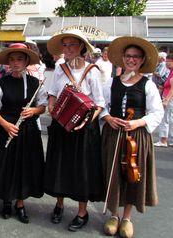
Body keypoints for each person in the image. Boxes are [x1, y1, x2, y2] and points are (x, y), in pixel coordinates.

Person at [101, 36, 164, 238]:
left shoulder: (148, 84)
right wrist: (108, 117)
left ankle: (127, 218)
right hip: (113, 134)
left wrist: (137, 122)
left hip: (135, 137)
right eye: (128, 56)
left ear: (142, 59)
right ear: (123, 58)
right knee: (114, 175)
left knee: (132, 176)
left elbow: (157, 112)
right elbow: (100, 104)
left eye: (136, 57)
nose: (131, 60)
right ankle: (113, 215)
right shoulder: (112, 82)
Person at [44, 29, 105, 232]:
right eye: (65, 45)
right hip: (61, 126)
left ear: (81, 47)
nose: (68, 49)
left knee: (82, 169)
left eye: (72, 45)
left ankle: (82, 212)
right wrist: (52, 109)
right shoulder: (60, 68)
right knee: (60, 165)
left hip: (84, 129)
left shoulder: (92, 71)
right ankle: (59, 205)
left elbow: (99, 104)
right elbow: (52, 93)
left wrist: (85, 122)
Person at [0, 43, 46, 223]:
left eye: (20, 59)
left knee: (24, 167)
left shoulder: (36, 82)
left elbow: (43, 105)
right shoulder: (1, 82)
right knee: (6, 165)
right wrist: (6, 125)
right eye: (12, 59)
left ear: (27, 61)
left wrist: (34, 111)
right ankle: (6, 200)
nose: (15, 63)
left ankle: (20, 203)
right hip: (5, 130)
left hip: (28, 131)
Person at [155, 53, 173, 147]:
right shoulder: (170, 72)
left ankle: (163, 140)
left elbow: (172, 88)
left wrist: (166, 100)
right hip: (168, 97)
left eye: (169, 61)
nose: (167, 63)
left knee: (165, 119)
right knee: (170, 119)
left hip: (169, 98)